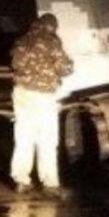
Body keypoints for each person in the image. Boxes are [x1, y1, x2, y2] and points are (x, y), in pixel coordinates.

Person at [9, 13, 74, 192]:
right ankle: (49, 182)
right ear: (52, 26)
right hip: (43, 95)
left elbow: (15, 64)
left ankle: (21, 180)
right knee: (47, 138)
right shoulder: (52, 42)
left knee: (24, 137)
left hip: (22, 93)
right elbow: (65, 68)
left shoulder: (23, 40)